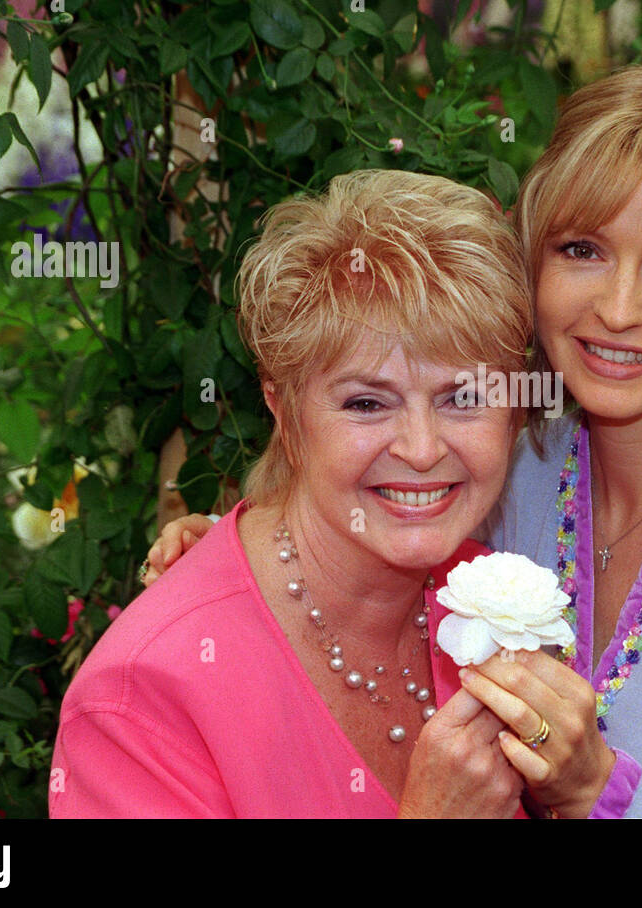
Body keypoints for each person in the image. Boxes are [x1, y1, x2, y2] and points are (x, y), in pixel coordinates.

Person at [149, 66, 642, 818]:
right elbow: (370, 514)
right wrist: (228, 557)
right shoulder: (520, 466)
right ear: (531, 263)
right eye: (582, 249)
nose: (617, 309)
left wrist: (605, 796)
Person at [51, 170, 536, 817]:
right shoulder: (141, 698)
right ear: (282, 408)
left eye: (464, 398)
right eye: (366, 402)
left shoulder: (495, 605)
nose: (422, 448)